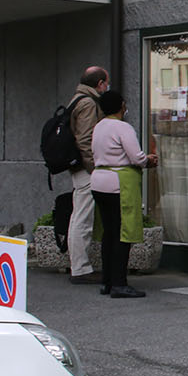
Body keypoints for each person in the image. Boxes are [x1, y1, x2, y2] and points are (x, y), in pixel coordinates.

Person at [89, 90, 156, 298]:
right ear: (121, 106)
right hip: (118, 183)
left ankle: (107, 281)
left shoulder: (98, 127)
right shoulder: (122, 127)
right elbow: (136, 157)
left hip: (98, 181)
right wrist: (149, 160)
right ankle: (119, 283)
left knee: (108, 233)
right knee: (122, 233)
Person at [67, 67, 108, 285]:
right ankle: (80, 269)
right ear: (100, 83)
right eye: (105, 83)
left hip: (79, 166)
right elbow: (85, 140)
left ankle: (78, 265)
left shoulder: (77, 99)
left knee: (78, 216)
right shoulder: (88, 103)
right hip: (85, 168)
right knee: (82, 218)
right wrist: (94, 168)